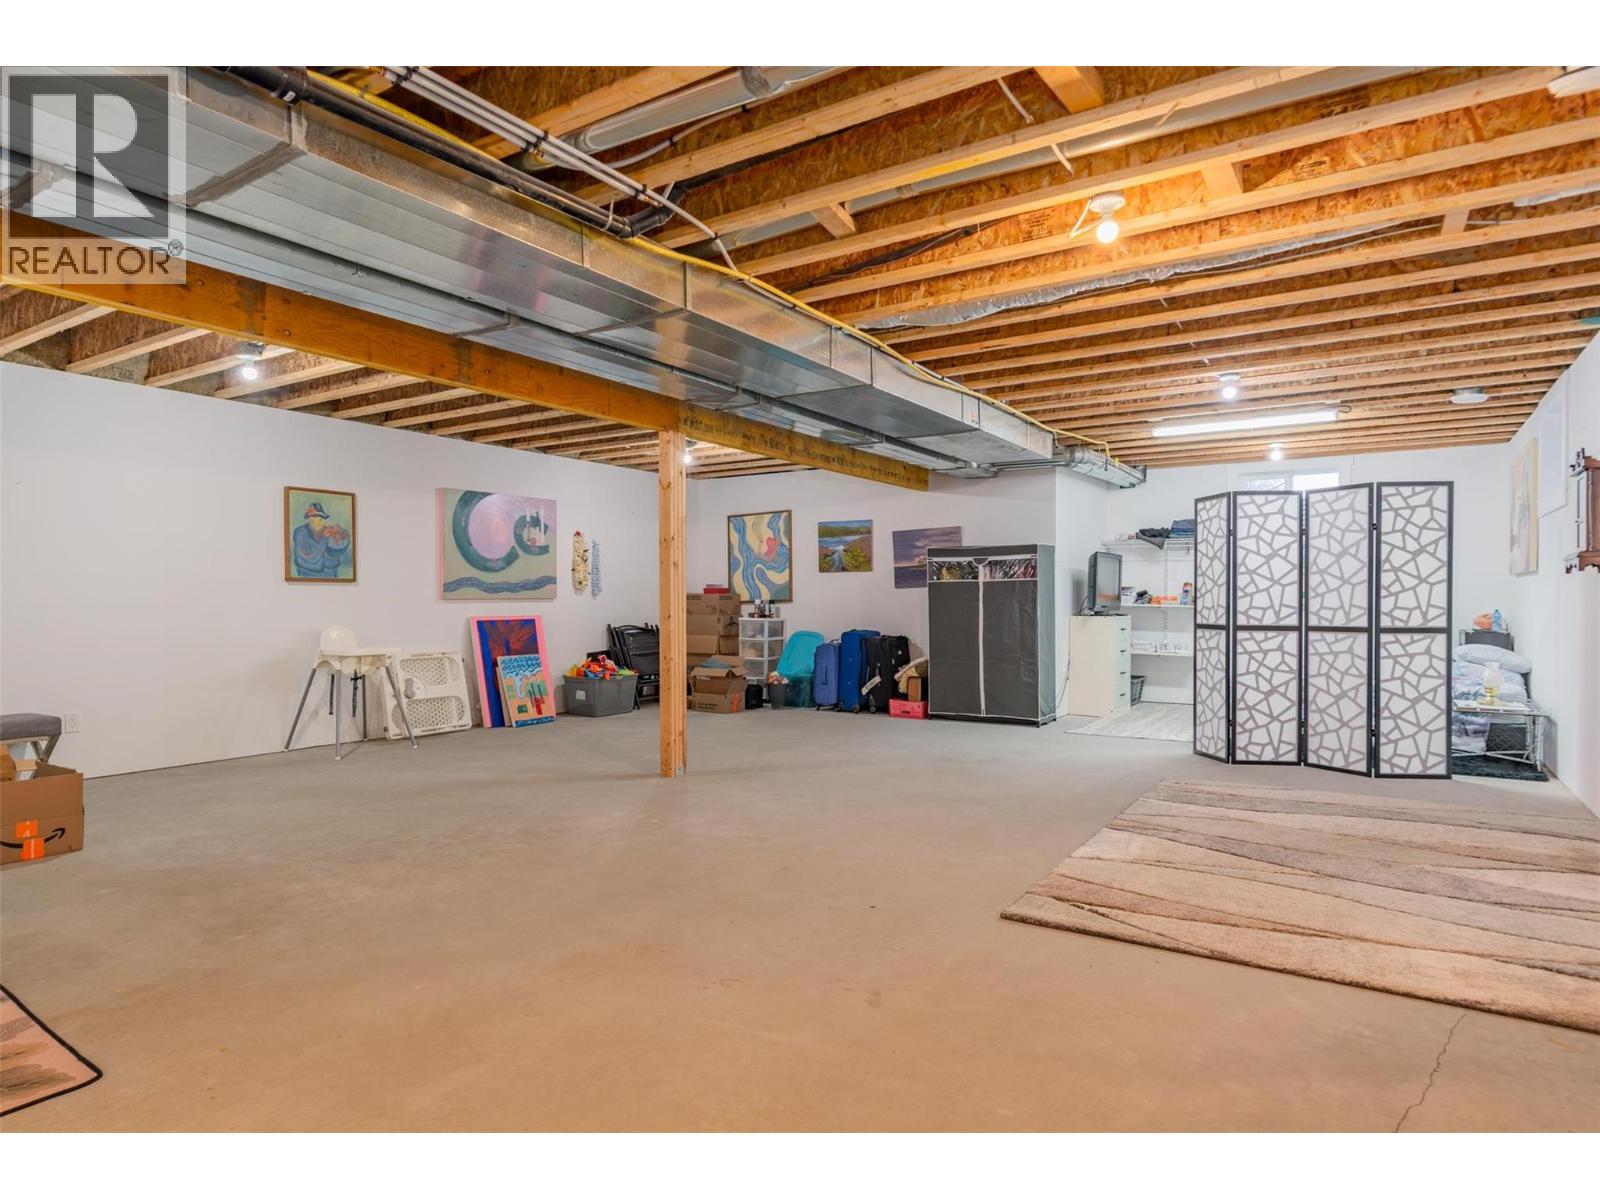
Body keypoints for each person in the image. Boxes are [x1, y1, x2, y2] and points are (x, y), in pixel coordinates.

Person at [291, 501, 350, 578]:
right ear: (309, 519)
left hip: (331, 573)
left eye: (321, 519)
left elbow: (336, 553)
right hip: (308, 574)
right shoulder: (300, 532)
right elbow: (310, 559)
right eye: (313, 518)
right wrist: (325, 538)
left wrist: (343, 538)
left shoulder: (328, 530)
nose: (318, 522)